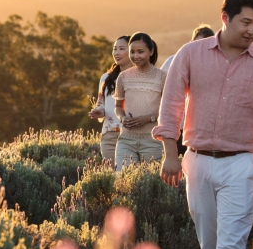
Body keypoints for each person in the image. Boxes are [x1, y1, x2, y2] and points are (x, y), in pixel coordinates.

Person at [153, 0, 253, 249]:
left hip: (242, 163)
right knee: (210, 243)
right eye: (246, 22)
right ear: (225, 18)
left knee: (232, 242)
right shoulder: (190, 54)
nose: (252, 30)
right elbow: (172, 104)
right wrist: (170, 154)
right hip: (197, 161)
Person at [113, 32, 166, 169]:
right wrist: (122, 118)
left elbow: (170, 110)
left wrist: (149, 118)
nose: (135, 56)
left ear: (151, 51)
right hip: (126, 140)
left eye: (140, 52)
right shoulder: (123, 77)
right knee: (122, 181)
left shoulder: (162, 77)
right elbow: (118, 106)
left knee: (150, 184)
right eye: (132, 52)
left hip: (152, 141)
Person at [160, 24, 215, 156]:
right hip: (176, 127)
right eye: (197, 43)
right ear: (191, 42)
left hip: (199, 130)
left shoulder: (214, 66)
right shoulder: (173, 61)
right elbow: (160, 89)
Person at [89, 35, 132, 165]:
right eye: (115, 49)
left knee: (127, 175)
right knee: (111, 175)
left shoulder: (139, 77)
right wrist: (99, 111)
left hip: (131, 136)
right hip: (109, 135)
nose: (116, 53)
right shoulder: (106, 78)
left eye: (121, 49)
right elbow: (101, 104)